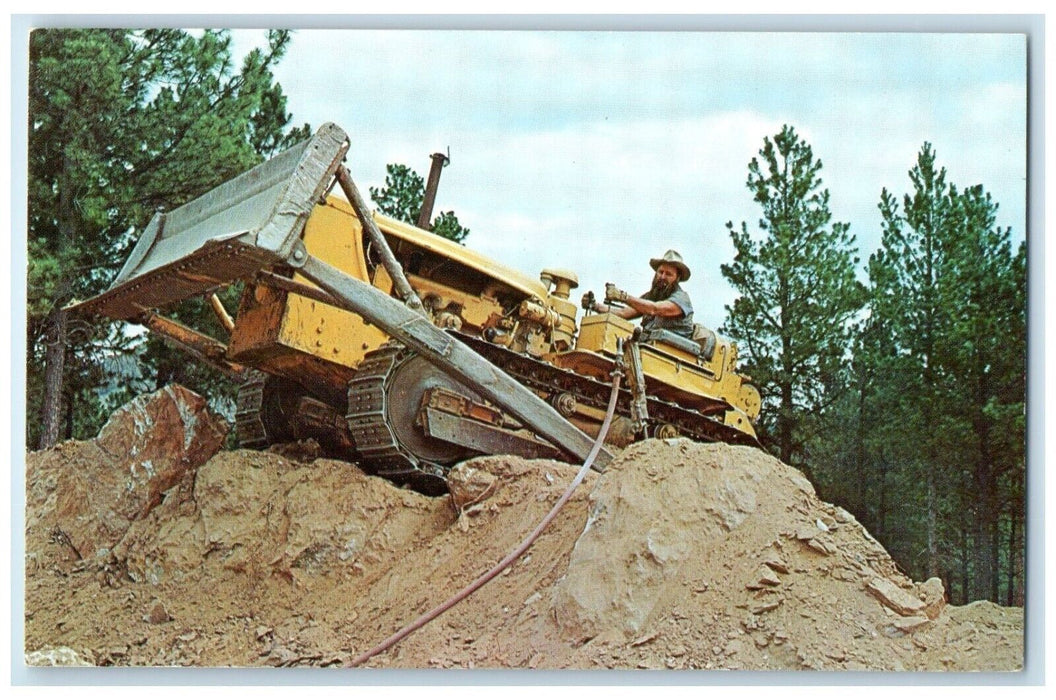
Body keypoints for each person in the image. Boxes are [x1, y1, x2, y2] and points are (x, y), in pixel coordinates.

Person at [583, 249, 695, 339]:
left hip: (668, 355)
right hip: (649, 347)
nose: (662, 277)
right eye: (660, 272)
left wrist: (622, 296)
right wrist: (594, 305)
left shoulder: (681, 299)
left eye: (668, 274)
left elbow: (654, 309)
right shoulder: (652, 297)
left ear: (677, 278)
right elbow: (622, 313)